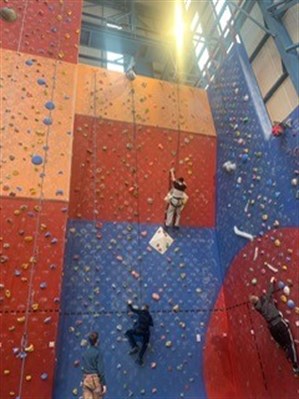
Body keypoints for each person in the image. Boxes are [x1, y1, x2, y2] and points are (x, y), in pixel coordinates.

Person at [249, 277, 299, 376]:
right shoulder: (266, 299)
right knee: (290, 342)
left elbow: (261, 299)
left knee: (282, 343)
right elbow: (270, 291)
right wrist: (271, 281)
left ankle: (288, 354)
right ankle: (295, 367)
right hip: (279, 323)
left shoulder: (257, 308)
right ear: (258, 298)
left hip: (272, 328)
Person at [125, 300, 154, 366]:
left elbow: (132, 309)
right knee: (145, 344)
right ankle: (140, 358)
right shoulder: (149, 316)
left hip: (139, 330)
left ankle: (134, 346)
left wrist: (129, 304)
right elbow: (151, 324)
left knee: (128, 333)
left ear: (143, 308)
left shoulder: (141, 312)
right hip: (146, 333)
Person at [81, 331, 107, 399]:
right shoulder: (98, 352)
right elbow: (100, 370)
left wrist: (82, 380)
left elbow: (84, 368)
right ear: (97, 340)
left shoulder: (85, 353)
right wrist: (103, 384)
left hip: (86, 379)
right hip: (94, 379)